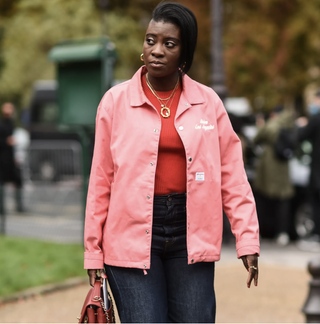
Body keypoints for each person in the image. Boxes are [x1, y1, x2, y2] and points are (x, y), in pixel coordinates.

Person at [84, 2, 260, 323]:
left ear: (184, 52)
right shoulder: (115, 102)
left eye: (169, 43)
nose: (157, 50)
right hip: (130, 235)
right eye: (151, 40)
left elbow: (232, 175)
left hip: (191, 233)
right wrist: (93, 251)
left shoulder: (208, 103)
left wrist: (247, 238)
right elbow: (101, 180)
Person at [253, 106, 295, 245]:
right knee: (282, 200)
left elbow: (257, 138)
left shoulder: (272, 125)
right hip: (284, 168)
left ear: (273, 114)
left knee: (263, 199)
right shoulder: (291, 123)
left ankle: (262, 232)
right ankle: (282, 233)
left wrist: (260, 126)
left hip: (269, 168)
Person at [296, 90, 320, 244]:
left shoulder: (316, 119)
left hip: (317, 170)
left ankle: (316, 234)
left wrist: (301, 125)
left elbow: (301, 136)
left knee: (316, 202)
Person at [0, 102, 24, 215]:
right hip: (3, 159)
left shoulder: (11, 124)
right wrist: (6, 141)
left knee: (18, 180)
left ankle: (19, 206)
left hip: (10, 159)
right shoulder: (2, 125)